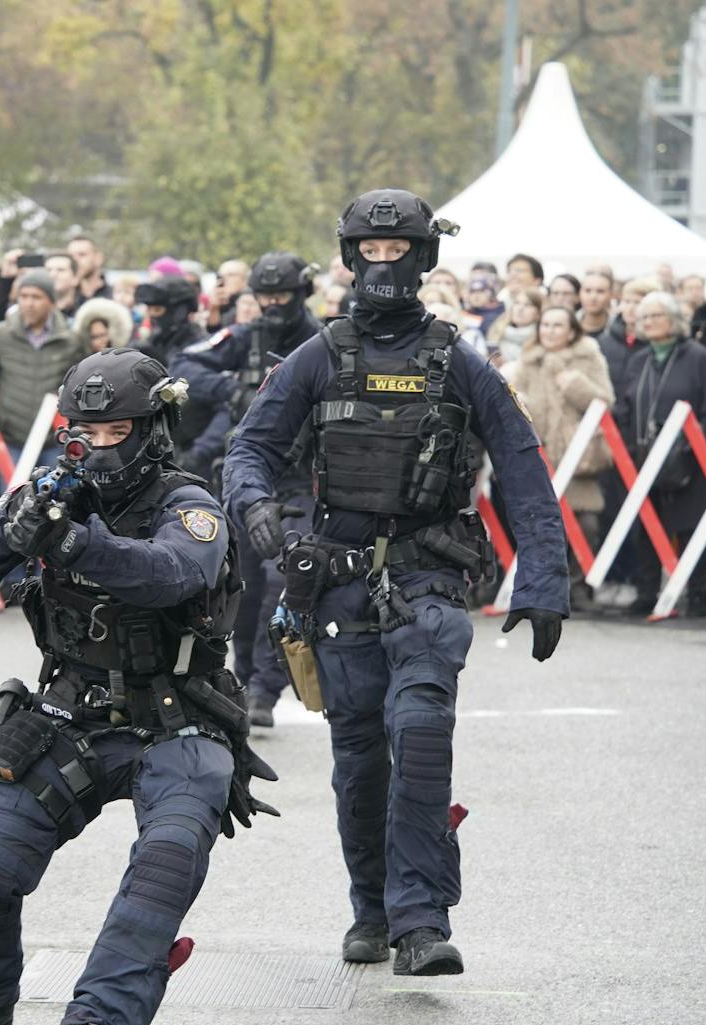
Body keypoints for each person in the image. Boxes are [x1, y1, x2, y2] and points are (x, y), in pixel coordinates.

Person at [224, 189, 567, 977]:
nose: (384, 263)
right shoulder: (316, 357)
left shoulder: (460, 362)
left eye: (398, 249)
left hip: (432, 583)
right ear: (351, 257)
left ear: (423, 255)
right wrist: (259, 514)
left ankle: (420, 920)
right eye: (370, 251)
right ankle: (371, 909)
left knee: (418, 733)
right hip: (338, 589)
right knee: (358, 758)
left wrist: (543, 578)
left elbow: (521, 464)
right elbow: (248, 453)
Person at [0, 347, 275, 1025]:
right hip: (68, 716)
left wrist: (79, 542)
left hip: (180, 721)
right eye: (84, 432)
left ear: (152, 429)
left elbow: (171, 573)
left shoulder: (190, 504)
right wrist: (17, 522)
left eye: (117, 431)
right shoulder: (56, 489)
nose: (98, 447)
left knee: (167, 860)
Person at [173, 251, 322, 728]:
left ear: (302, 295)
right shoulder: (246, 337)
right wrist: (233, 387)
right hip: (246, 475)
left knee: (284, 582)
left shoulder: (326, 342)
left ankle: (266, 687)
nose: (274, 304)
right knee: (242, 587)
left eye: (283, 296)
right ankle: (240, 679)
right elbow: (184, 365)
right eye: (266, 296)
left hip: (302, 480)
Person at [616, 292, 706, 618]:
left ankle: (697, 594)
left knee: (690, 527)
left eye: (656, 315)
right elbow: (626, 407)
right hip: (645, 456)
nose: (649, 322)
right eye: (644, 317)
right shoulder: (639, 360)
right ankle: (647, 592)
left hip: (688, 456)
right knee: (647, 525)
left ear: (675, 319)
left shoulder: (697, 356)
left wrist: (697, 449)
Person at [509, 305, 614, 606]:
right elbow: (514, 400)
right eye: (545, 325)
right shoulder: (527, 362)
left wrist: (574, 385)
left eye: (558, 325)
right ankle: (544, 590)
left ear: (571, 331)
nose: (550, 331)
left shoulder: (588, 357)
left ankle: (579, 586)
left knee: (586, 525)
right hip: (539, 458)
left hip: (578, 458)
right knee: (539, 527)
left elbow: (605, 401)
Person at [0, 270, 87, 454]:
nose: (29, 303)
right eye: (23, 296)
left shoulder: (71, 340)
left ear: (51, 301)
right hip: (9, 439)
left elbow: (80, 384)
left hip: (54, 439)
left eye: (36, 297)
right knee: (14, 485)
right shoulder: (0, 335)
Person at [486, 286, 542, 368]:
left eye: (528, 305)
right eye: (517, 303)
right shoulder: (495, 332)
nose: (520, 308)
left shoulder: (541, 340)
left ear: (538, 313)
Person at [65, 236, 113, 305]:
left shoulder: (115, 296)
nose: (75, 260)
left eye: (82, 255)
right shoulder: (63, 298)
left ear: (98, 258)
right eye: (71, 256)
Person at [207, 258, 251, 328]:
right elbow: (213, 330)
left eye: (231, 275)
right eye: (220, 275)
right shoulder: (219, 301)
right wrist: (214, 308)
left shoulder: (252, 300)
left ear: (245, 279)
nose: (224, 279)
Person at [577, 268, 614, 339]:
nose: (593, 297)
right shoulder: (568, 325)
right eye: (587, 291)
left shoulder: (620, 329)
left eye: (600, 291)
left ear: (611, 295)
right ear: (580, 293)